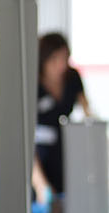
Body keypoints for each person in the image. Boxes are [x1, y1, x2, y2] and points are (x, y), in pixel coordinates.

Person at [32, 32, 90, 200]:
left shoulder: (72, 78)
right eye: (55, 59)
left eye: (65, 58)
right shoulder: (33, 84)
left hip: (65, 151)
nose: (61, 65)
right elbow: (26, 139)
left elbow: (88, 114)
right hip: (39, 157)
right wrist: (39, 183)